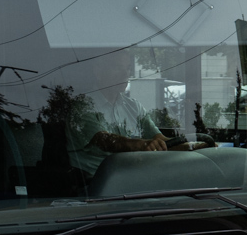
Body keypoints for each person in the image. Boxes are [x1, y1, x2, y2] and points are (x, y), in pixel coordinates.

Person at [66, 49, 190, 177]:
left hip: (131, 180)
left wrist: (194, 146)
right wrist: (141, 145)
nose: (125, 74)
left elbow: (160, 140)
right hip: (94, 187)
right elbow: (104, 140)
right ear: (98, 71)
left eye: (128, 68)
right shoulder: (82, 107)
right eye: (117, 68)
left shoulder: (133, 107)